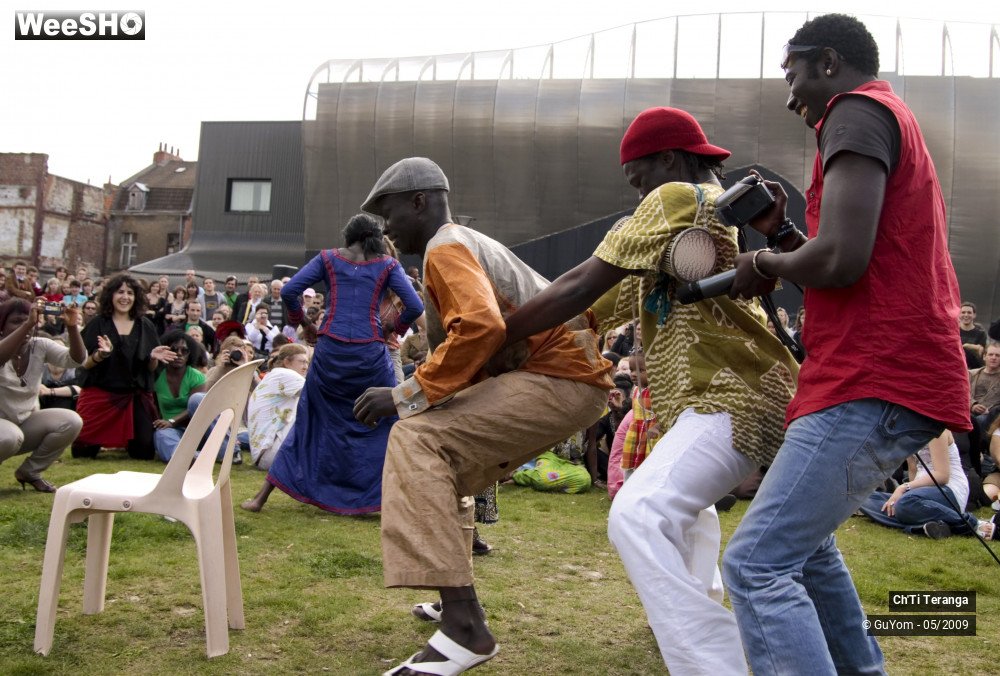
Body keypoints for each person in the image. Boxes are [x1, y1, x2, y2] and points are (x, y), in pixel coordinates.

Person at [498, 109, 798, 673]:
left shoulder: (679, 196)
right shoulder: (688, 230)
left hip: (730, 395)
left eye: (639, 180)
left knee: (638, 513)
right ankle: (710, 611)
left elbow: (579, 286)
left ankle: (716, 664)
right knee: (694, 511)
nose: (638, 195)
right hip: (751, 390)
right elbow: (591, 309)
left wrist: (497, 333)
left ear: (668, 159)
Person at [721, 15, 972, 674]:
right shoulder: (880, 115)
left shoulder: (854, 112)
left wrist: (762, 264)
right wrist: (782, 239)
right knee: (805, 555)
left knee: (755, 565)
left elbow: (841, 261)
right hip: (879, 373)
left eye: (793, 74)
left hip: (873, 378)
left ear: (828, 62)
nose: (789, 95)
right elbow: (848, 268)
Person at [353, 157, 612, 675]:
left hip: (560, 378)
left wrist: (406, 394)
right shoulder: (465, 242)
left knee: (417, 439)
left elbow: (479, 328)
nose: (386, 228)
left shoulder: (443, 247)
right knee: (442, 463)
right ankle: (453, 601)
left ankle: (465, 628)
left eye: (389, 213)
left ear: (419, 202)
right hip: (569, 377)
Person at [259, 213, 423, 516]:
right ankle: (388, 499)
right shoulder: (388, 265)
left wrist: (304, 323)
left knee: (311, 417)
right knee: (385, 420)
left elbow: (290, 291)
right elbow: (415, 305)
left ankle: (261, 498)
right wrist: (392, 329)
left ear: (350, 235)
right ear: (374, 238)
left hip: (330, 352)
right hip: (369, 354)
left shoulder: (327, 258)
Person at [72, 274, 177, 459]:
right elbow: (84, 364)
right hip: (102, 394)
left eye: (130, 293)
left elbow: (151, 370)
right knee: (82, 452)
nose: (125, 297)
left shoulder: (145, 325)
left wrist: (153, 358)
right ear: (111, 295)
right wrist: (100, 355)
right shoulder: (98, 323)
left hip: (134, 396)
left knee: (144, 452)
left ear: (136, 297)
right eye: (120, 292)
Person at [0, 299, 85, 492]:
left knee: (71, 421)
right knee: (11, 436)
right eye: (16, 321)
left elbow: (76, 360)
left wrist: (72, 327)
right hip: (6, 432)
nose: (25, 325)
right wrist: (27, 325)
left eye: (29, 319)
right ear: (2, 326)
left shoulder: (40, 345)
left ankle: (30, 472)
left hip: (22, 424)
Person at [858, 430, 995, 540]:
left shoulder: (938, 431)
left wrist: (904, 488)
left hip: (948, 489)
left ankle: (972, 523)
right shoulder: (908, 433)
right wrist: (908, 492)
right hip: (921, 492)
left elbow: (942, 476)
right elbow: (913, 469)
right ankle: (927, 526)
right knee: (863, 499)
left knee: (905, 504)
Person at [240, 344, 311, 511]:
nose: (305, 366)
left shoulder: (274, 375)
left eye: (307, 362)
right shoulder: (285, 374)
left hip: (265, 454)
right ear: (287, 362)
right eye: (302, 361)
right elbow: (319, 393)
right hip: (271, 453)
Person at [151, 331, 207, 462]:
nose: (179, 354)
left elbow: (196, 407)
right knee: (161, 435)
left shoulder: (197, 376)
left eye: (184, 350)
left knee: (197, 399)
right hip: (170, 430)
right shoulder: (157, 376)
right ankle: (184, 459)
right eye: (174, 349)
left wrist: (172, 421)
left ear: (190, 354)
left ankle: (190, 455)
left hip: (194, 430)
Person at [970, 341, 1000, 431]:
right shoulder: (971, 374)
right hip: (969, 411)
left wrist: (991, 411)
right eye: (990, 354)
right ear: (984, 356)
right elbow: (962, 394)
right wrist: (972, 405)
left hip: (991, 415)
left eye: (997, 355)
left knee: (980, 420)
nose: (993, 358)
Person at [959, 301, 988, 369]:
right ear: (959, 314)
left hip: (974, 369)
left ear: (974, 315)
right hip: (957, 367)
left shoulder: (981, 333)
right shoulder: (954, 331)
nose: (966, 315)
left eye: (969, 312)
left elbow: (981, 352)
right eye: (963, 312)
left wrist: (967, 346)